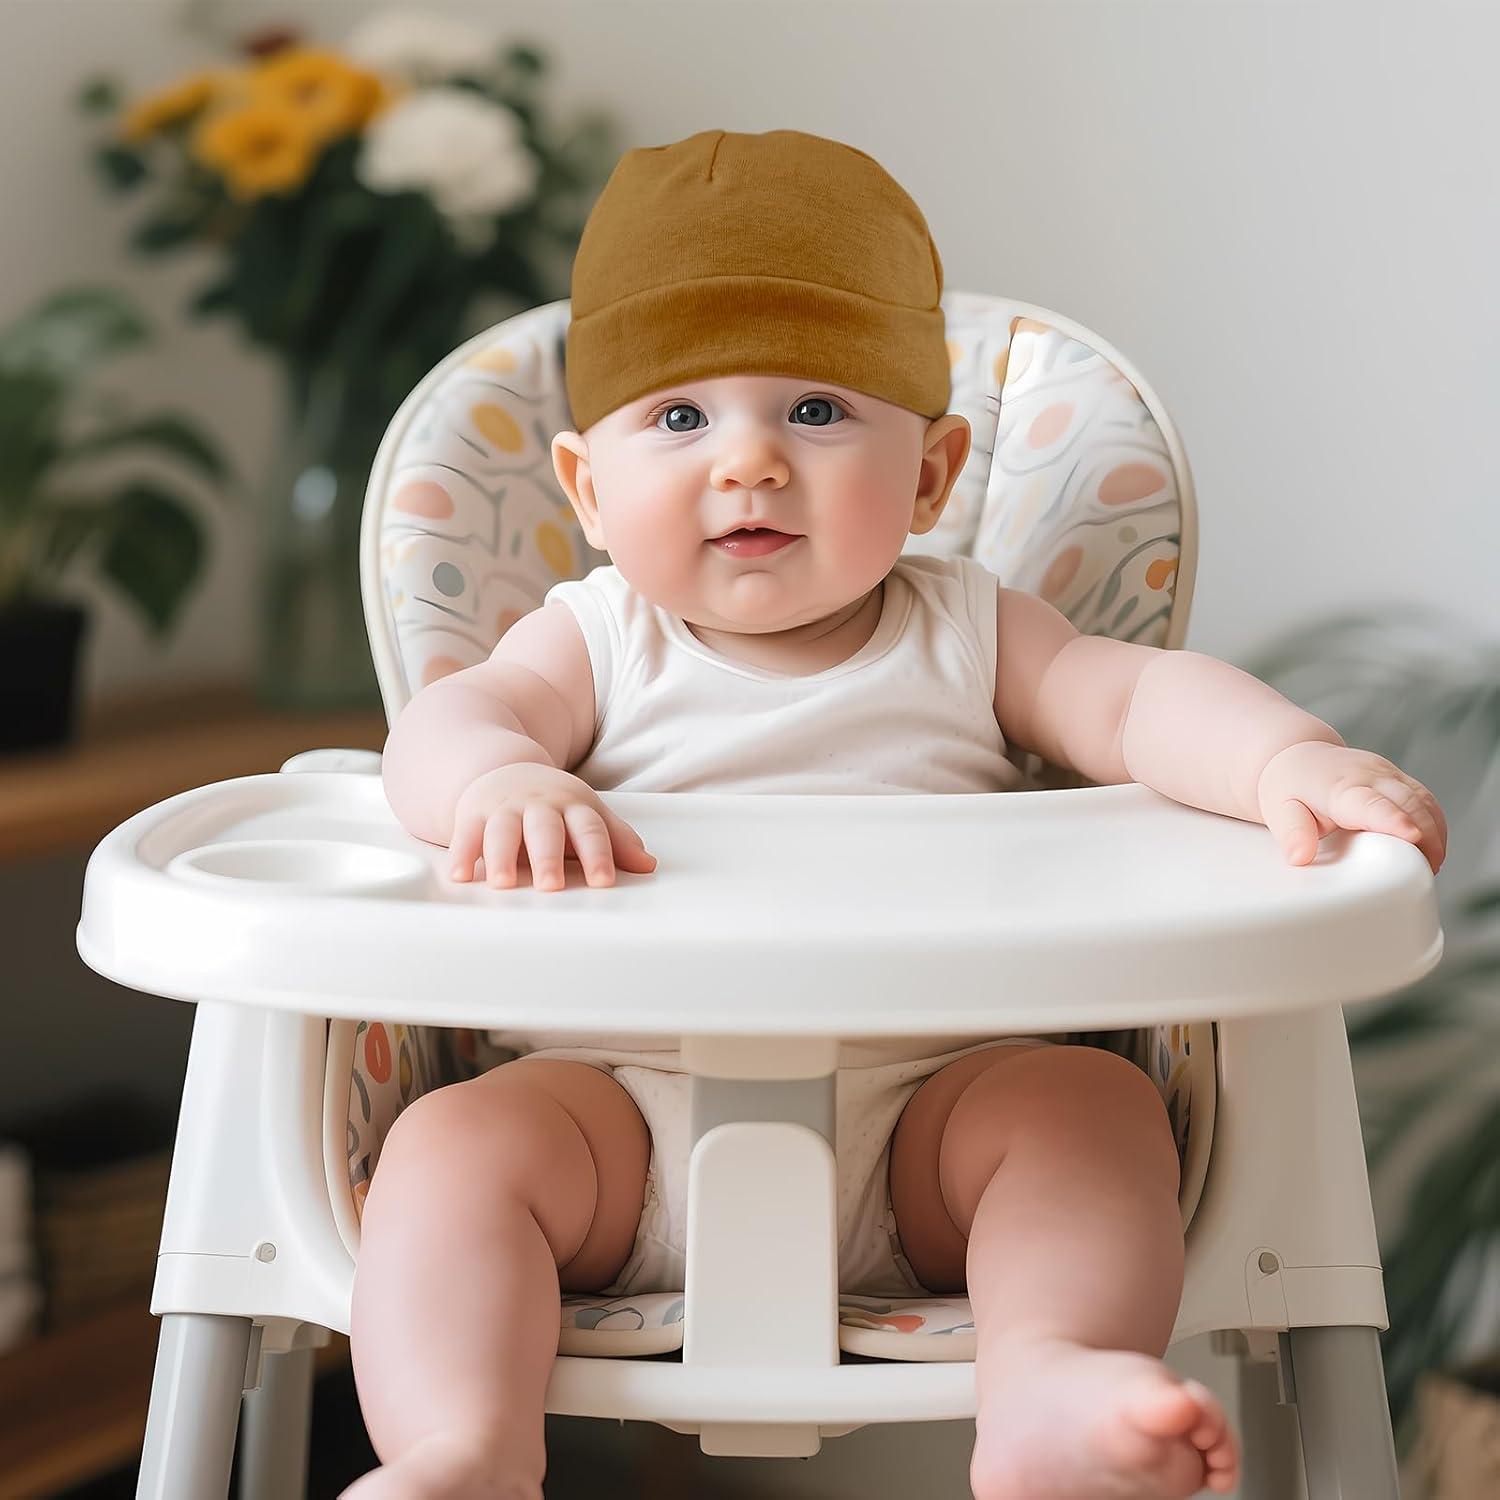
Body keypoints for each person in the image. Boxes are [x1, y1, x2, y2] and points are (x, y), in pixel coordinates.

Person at [344, 129, 1446, 1500]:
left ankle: (1043, 1375)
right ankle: (467, 1448)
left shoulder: (973, 630)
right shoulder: (594, 638)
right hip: (616, 1123)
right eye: (681, 420)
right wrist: (498, 781)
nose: (746, 462)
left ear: (930, 475)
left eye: (816, 412)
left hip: (937, 1118)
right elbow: (448, 728)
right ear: (585, 488)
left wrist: (1285, 760)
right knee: (452, 1152)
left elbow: (1137, 703)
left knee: (1090, 1110)